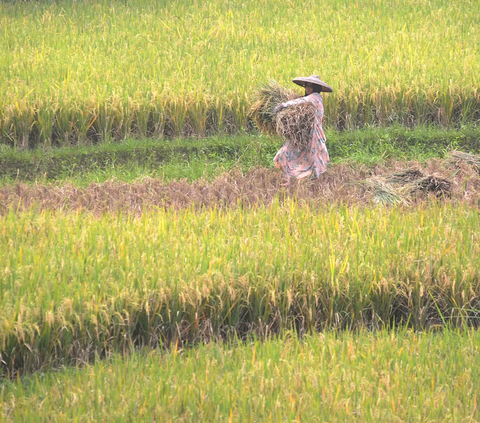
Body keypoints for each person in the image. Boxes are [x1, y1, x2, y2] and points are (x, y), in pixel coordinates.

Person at [273, 75, 332, 186]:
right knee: (286, 153)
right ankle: (293, 179)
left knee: (312, 158)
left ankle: (311, 181)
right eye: (306, 86)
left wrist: (283, 105)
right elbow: (302, 101)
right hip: (305, 133)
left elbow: (302, 101)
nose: (308, 88)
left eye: (310, 86)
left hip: (313, 133)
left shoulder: (315, 97)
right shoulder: (311, 98)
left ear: (315, 88)